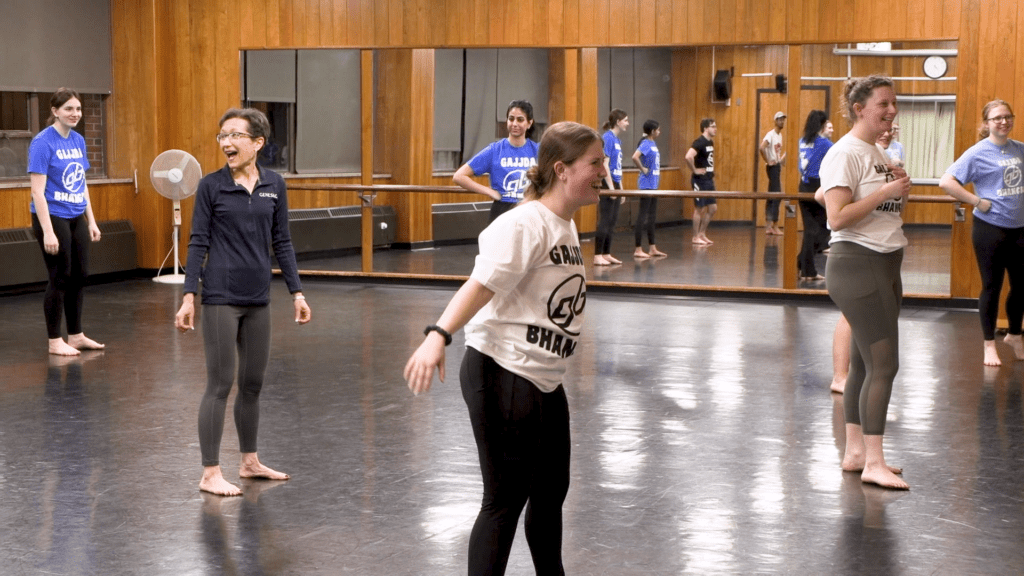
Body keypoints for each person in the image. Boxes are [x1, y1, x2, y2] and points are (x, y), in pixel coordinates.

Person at [404, 121, 605, 576]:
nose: (604, 171)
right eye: (595, 162)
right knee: (504, 500)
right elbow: (480, 285)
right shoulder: (523, 222)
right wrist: (438, 335)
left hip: (544, 379)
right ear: (562, 169)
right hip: (502, 371)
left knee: (551, 491)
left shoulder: (564, 226)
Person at [175, 108, 312, 497]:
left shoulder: (274, 185)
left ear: (257, 143)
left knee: (252, 384)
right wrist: (189, 297)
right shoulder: (211, 186)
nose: (226, 143)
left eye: (235, 135)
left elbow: (281, 241)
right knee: (220, 384)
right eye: (222, 136)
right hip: (220, 296)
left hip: (258, 298)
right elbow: (197, 241)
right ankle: (210, 473)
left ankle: (249, 462)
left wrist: (296, 292)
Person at [820, 74, 912, 490]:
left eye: (893, 104)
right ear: (859, 109)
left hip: (885, 262)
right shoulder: (845, 153)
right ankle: (874, 461)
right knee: (885, 365)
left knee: (863, 364)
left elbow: (885, 210)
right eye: (883, 104)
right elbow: (837, 216)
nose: (891, 111)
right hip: (860, 265)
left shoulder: (876, 152)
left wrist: (896, 185)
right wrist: (885, 190)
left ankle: (856, 452)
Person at [939, 99, 1024, 367]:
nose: (1003, 121)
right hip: (990, 229)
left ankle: (1015, 335)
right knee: (992, 286)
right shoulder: (977, 153)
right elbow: (946, 181)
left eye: (1007, 116)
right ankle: (989, 345)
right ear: (987, 123)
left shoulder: (1020, 149)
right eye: (997, 118)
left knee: (1021, 286)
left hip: (1019, 229)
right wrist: (976, 201)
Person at [28, 88, 105, 357]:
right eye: (69, 109)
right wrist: (48, 231)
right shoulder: (42, 142)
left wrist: (91, 220)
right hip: (52, 215)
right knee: (60, 276)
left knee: (80, 275)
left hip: (76, 214)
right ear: (55, 111)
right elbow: (38, 191)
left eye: (78, 109)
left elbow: (81, 183)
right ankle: (54, 340)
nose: (75, 114)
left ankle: (76, 335)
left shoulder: (78, 141)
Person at [453, 100, 539, 223]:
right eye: (511, 119)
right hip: (501, 210)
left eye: (520, 120)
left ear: (529, 123)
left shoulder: (537, 150)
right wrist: (489, 191)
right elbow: (459, 176)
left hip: (529, 209)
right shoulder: (494, 150)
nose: (514, 123)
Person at [797, 110, 833, 281]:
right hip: (817, 187)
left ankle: (802, 266)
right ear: (822, 124)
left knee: (811, 230)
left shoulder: (801, 141)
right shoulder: (824, 143)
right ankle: (806, 269)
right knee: (822, 228)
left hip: (802, 186)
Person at [594, 109, 629, 266]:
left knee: (613, 221)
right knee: (605, 219)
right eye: (626, 120)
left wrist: (620, 188)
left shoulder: (617, 140)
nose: (627, 123)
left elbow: (617, 167)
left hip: (614, 182)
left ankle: (606, 253)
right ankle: (597, 255)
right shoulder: (607, 138)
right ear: (618, 122)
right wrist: (611, 188)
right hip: (606, 183)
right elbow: (605, 165)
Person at [632, 119, 665, 258]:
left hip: (654, 185)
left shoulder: (653, 143)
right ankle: (638, 249)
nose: (659, 132)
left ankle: (652, 247)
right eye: (657, 129)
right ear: (652, 131)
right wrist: (643, 169)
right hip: (646, 185)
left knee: (652, 217)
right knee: (642, 216)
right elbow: (635, 157)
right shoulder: (646, 143)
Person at [686, 118, 718, 245]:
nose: (715, 128)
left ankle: (702, 233)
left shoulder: (710, 142)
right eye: (712, 126)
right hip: (699, 180)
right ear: (705, 128)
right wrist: (695, 170)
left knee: (713, 208)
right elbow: (688, 156)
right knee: (699, 208)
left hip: (708, 179)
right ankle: (695, 237)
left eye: (715, 126)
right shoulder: (699, 142)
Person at [760, 111, 787, 235]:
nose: (782, 122)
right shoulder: (770, 135)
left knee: (772, 196)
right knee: (777, 196)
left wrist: (781, 159)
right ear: (775, 121)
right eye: (780, 119)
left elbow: (776, 153)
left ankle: (768, 225)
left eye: (783, 119)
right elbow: (761, 147)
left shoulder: (779, 136)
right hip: (772, 167)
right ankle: (775, 225)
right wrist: (767, 161)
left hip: (776, 166)